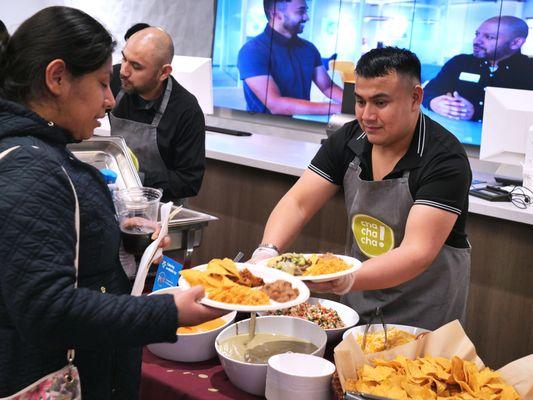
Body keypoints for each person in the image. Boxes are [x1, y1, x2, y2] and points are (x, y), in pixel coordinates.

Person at [0, 7, 223, 399]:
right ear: (56, 78)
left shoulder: (41, 153)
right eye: (103, 83)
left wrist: (122, 249)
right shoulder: (31, 167)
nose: (109, 100)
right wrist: (169, 314)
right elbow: (48, 309)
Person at [251, 47, 472, 331]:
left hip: (422, 318)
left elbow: (417, 252)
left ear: (415, 97)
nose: (367, 115)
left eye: (380, 102)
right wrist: (267, 251)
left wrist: (348, 278)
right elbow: (298, 202)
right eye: (360, 101)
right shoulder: (350, 138)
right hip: (357, 308)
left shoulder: (444, 158)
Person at [110, 27, 205, 202]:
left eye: (136, 66)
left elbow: (189, 180)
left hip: (159, 210)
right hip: (117, 199)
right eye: (124, 59)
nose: (124, 71)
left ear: (163, 73)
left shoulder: (186, 110)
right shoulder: (115, 80)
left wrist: (136, 180)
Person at [237, 0, 343, 115]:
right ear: (275, 14)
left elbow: (327, 87)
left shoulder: (309, 48)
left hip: (301, 125)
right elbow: (276, 105)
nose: (306, 17)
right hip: (264, 129)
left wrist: (357, 103)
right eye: (300, 11)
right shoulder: (252, 51)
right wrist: (338, 108)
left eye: (305, 11)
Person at [423, 16, 533, 122]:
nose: (476, 41)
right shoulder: (460, 62)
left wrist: (477, 112)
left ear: (515, 43)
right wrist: (434, 102)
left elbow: (527, 114)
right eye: (477, 34)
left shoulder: (528, 70)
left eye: (489, 37)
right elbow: (429, 91)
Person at [110, 22, 150, 90]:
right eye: (124, 59)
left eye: (136, 66)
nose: (123, 72)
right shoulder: (114, 73)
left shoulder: (172, 97)